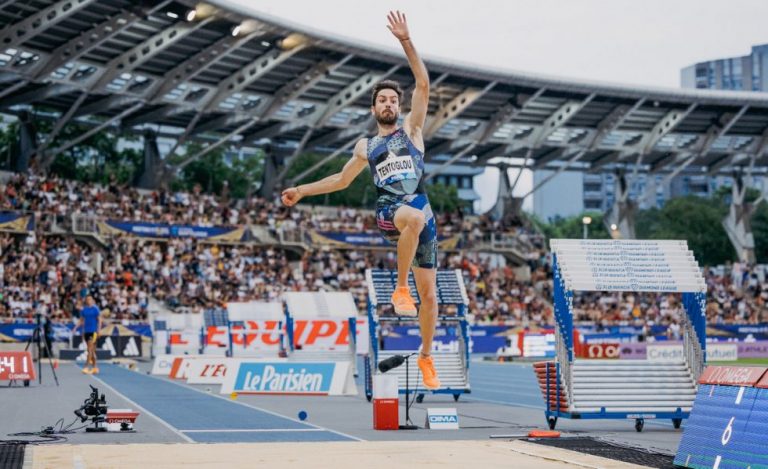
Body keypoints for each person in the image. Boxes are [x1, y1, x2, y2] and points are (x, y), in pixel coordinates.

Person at [281, 11, 440, 389]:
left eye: (392, 100)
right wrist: (302, 190)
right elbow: (340, 179)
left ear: (398, 108)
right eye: (381, 100)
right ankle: (400, 287)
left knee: (431, 297)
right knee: (412, 220)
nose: (388, 104)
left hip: (423, 214)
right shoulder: (366, 145)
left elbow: (422, 83)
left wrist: (406, 40)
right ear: (373, 109)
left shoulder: (413, 133)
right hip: (391, 212)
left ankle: (426, 355)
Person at [75, 296, 102, 375]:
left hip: (93, 332)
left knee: (89, 349)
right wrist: (75, 328)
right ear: (86, 301)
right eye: (87, 300)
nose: (88, 301)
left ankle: (86, 366)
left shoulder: (95, 309)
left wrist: (99, 330)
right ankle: (95, 367)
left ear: (92, 300)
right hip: (86, 331)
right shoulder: (84, 310)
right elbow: (81, 320)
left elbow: (99, 320)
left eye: (90, 299)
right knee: (92, 350)